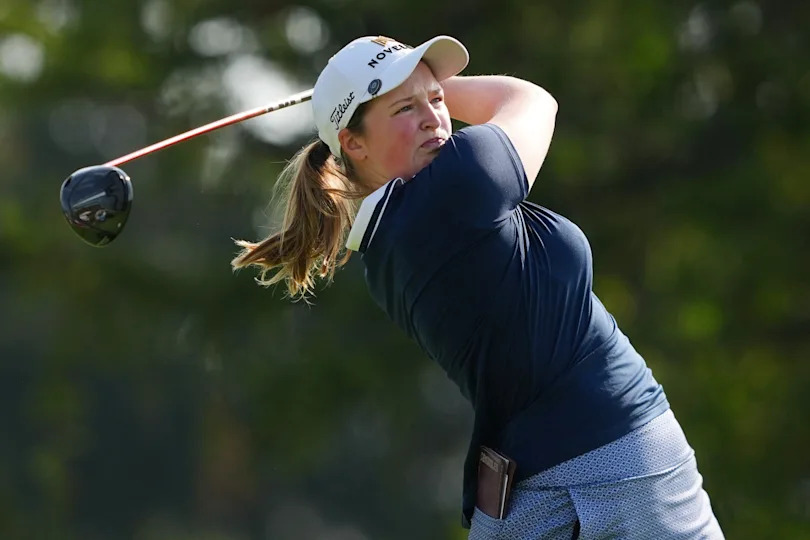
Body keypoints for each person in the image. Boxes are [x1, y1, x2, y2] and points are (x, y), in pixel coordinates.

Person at [231, 35, 725, 539]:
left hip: (527, 478)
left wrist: (406, 84)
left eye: (437, 101)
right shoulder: (459, 182)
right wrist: (435, 81)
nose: (434, 118)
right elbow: (531, 101)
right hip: (621, 458)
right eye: (405, 108)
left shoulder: (377, 252)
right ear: (352, 143)